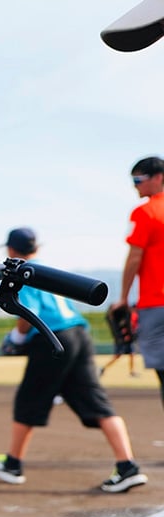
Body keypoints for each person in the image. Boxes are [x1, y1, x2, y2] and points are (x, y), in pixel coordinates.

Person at [0, 228, 147, 493]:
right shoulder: (48, 270)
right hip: (79, 334)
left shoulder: (22, 272)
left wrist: (17, 338)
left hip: (52, 337)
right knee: (96, 402)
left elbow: (27, 311)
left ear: (11, 250)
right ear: (36, 247)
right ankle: (127, 466)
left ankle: (12, 463)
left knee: (29, 398)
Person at [110, 156, 164, 409]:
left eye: (139, 180)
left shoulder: (145, 212)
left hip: (156, 302)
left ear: (159, 177)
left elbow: (134, 258)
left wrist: (123, 297)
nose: (135, 186)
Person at [100, 306, 139, 378]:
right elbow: (124, 327)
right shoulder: (123, 317)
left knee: (131, 354)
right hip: (122, 340)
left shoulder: (127, 316)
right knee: (117, 356)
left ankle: (132, 372)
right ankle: (103, 368)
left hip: (127, 339)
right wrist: (125, 335)